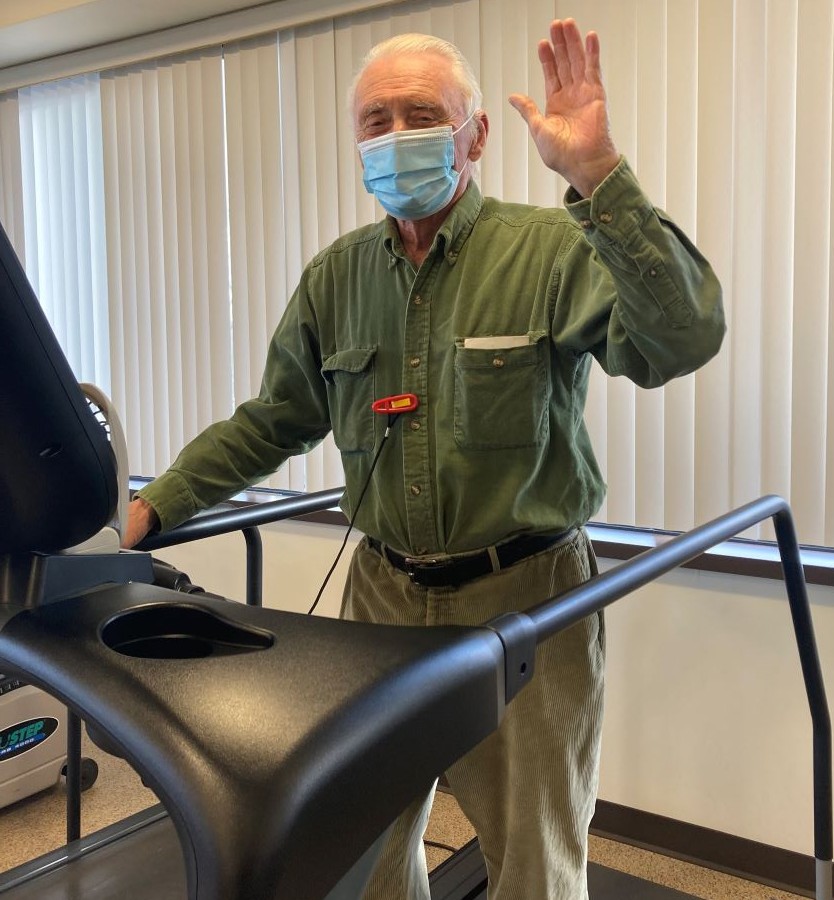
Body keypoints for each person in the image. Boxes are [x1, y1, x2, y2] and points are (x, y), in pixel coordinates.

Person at [125, 18, 725, 900]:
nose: (397, 136)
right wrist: (147, 511)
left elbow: (681, 338)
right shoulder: (335, 279)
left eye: (421, 113)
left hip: (526, 602)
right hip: (382, 600)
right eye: (376, 119)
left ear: (474, 135)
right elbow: (273, 420)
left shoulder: (552, 250)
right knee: (367, 845)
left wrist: (598, 177)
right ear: (355, 141)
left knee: (535, 865)